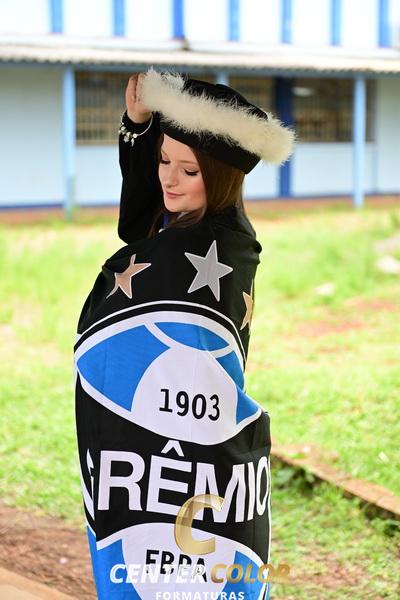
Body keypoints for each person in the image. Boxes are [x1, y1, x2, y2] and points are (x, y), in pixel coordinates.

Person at [74, 68, 294, 600]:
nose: (169, 180)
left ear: (220, 177)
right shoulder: (191, 221)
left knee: (192, 544)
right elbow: (139, 222)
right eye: (163, 161)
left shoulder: (223, 247)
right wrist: (137, 126)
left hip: (198, 419)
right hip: (151, 421)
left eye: (189, 170)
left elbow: (139, 247)